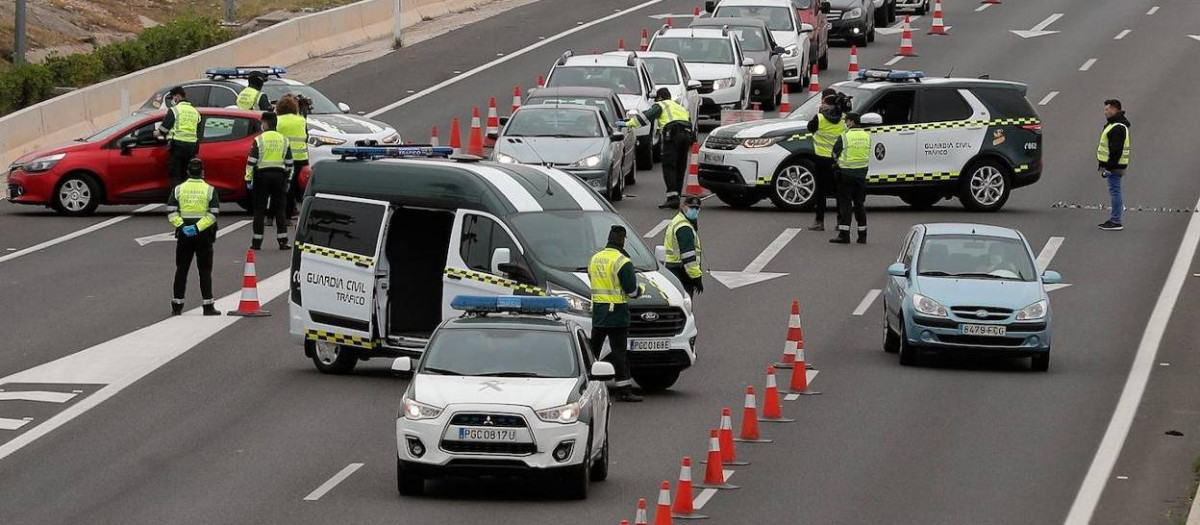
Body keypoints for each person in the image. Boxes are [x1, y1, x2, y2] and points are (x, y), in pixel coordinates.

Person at [588, 225, 643, 403]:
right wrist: (641, 289)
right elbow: (632, 291)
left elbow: (593, 280)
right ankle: (624, 389)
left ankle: (587, 383)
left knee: (592, 350)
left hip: (598, 311)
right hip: (617, 313)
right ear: (622, 239)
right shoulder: (622, 261)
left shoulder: (595, 258)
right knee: (619, 352)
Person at [166, 158, 220, 317]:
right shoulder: (210, 189)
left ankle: (177, 305)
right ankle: (208, 305)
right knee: (204, 269)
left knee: (181, 269)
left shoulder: (178, 189)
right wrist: (198, 227)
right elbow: (213, 214)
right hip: (204, 235)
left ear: (188, 172)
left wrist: (182, 226)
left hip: (184, 234)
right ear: (203, 172)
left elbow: (171, 210)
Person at [626, 87, 695, 209]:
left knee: (669, 165)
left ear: (660, 97)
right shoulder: (679, 106)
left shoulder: (661, 105)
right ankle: (676, 196)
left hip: (673, 133)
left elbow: (646, 117)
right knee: (680, 166)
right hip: (686, 134)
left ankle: (672, 198)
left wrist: (628, 123)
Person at [246, 112, 294, 250]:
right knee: (280, 209)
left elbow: (251, 162)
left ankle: (256, 242)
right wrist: (289, 180)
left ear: (266, 124)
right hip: (280, 176)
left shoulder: (259, 139)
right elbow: (290, 163)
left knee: (259, 210)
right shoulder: (284, 140)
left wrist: (248, 179)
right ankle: (283, 241)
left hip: (262, 176)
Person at [829, 112, 874, 244]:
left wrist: (837, 164)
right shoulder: (867, 136)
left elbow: (834, 153)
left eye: (846, 121)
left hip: (846, 175)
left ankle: (844, 234)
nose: (845, 124)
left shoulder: (845, 136)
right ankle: (862, 235)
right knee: (859, 204)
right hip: (861, 176)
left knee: (846, 204)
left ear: (851, 122)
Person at [806, 89, 845, 231]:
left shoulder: (819, 118)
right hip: (838, 160)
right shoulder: (843, 117)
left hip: (821, 159)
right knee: (840, 191)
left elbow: (810, 128)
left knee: (821, 191)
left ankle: (819, 221)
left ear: (823, 100)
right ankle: (841, 222)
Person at [156, 86, 201, 188]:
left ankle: (175, 198)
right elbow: (198, 133)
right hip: (191, 148)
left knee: (175, 175)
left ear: (177, 96)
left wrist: (155, 133)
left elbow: (163, 130)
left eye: (172, 98)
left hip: (177, 147)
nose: (172, 100)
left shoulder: (174, 110)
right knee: (187, 175)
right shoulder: (195, 112)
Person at [274, 94, 309, 220]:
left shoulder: (277, 120)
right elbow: (306, 136)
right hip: (300, 157)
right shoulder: (301, 120)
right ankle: (292, 210)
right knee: (294, 185)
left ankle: (283, 212)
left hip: (283, 157)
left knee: (283, 185)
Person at [1097, 99, 1130, 231]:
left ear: (1115, 109)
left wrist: (1109, 168)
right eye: (1105, 109)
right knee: (1115, 191)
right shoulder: (1116, 125)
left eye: (1108, 109)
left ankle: (1116, 220)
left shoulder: (1117, 127)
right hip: (1116, 165)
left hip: (1115, 166)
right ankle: (1115, 219)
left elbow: (1116, 150)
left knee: (1115, 192)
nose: (1105, 112)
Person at [664, 195, 704, 296]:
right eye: (691, 207)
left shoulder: (678, 220)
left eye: (697, 208)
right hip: (681, 272)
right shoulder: (684, 227)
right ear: (683, 206)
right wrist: (696, 277)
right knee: (685, 305)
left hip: (673, 269)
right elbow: (688, 256)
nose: (694, 210)